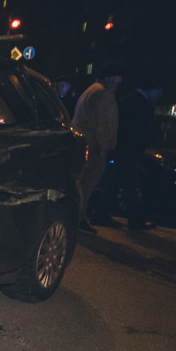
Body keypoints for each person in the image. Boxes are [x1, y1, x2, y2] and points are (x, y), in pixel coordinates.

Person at [72, 64, 122, 231]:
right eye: (118, 78)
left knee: (81, 182)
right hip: (94, 146)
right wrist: (103, 145)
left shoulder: (91, 91)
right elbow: (102, 123)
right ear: (111, 77)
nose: (119, 82)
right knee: (86, 184)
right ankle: (79, 218)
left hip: (85, 143)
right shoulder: (103, 93)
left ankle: (78, 217)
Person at [113, 71, 163, 231]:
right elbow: (135, 129)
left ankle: (102, 214)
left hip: (126, 149)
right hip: (129, 150)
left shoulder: (133, 101)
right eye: (158, 91)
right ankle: (135, 221)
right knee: (131, 186)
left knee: (118, 183)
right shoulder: (138, 103)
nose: (159, 95)